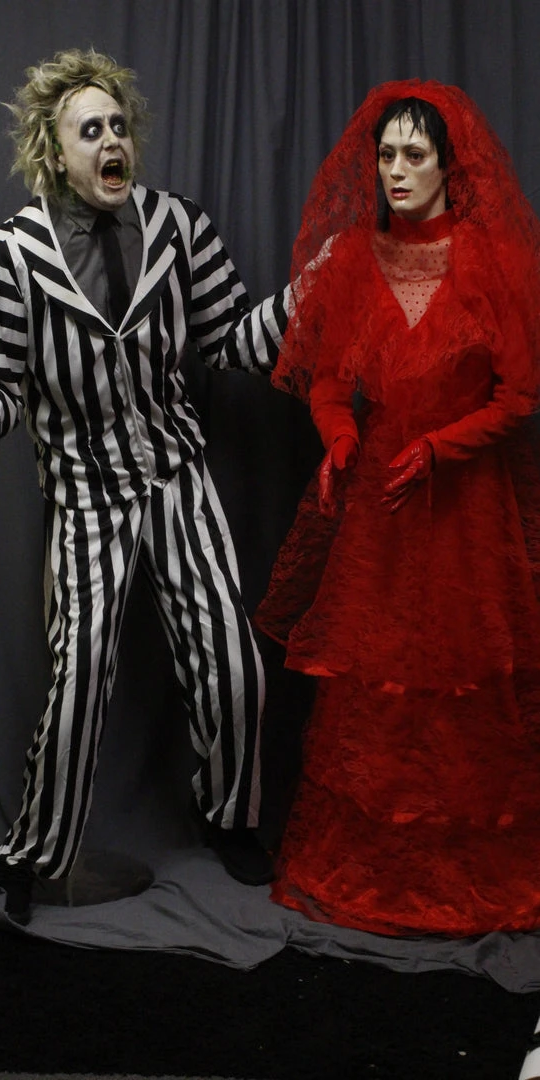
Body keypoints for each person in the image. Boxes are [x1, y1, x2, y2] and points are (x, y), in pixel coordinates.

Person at [0, 47, 289, 924]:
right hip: (86, 493)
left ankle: (230, 818)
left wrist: (310, 299)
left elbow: (231, 341)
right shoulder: (9, 256)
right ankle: (34, 856)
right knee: (80, 673)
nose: (110, 142)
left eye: (118, 126)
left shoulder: (179, 227)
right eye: (89, 130)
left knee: (233, 659)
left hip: (175, 475)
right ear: (55, 152)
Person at [255, 79, 540, 937]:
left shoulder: (494, 260)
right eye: (385, 155)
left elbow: (519, 395)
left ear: (450, 165)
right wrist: (340, 438)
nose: (396, 170)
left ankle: (460, 872)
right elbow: (329, 384)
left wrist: (441, 447)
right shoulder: (350, 258)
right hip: (378, 512)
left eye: (414, 154)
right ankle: (376, 871)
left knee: (461, 682)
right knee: (373, 685)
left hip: (464, 514)